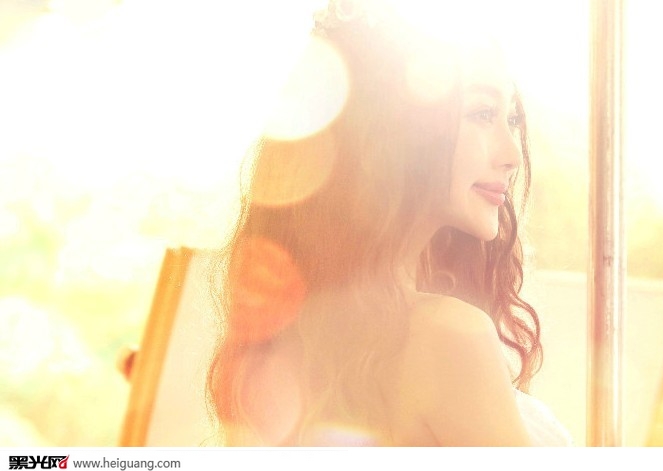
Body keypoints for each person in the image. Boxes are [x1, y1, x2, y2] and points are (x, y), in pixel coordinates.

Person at [207, 0, 571, 446]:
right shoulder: (447, 336)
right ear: (396, 131)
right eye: (482, 114)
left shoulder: (296, 344)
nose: (512, 154)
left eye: (511, 118)